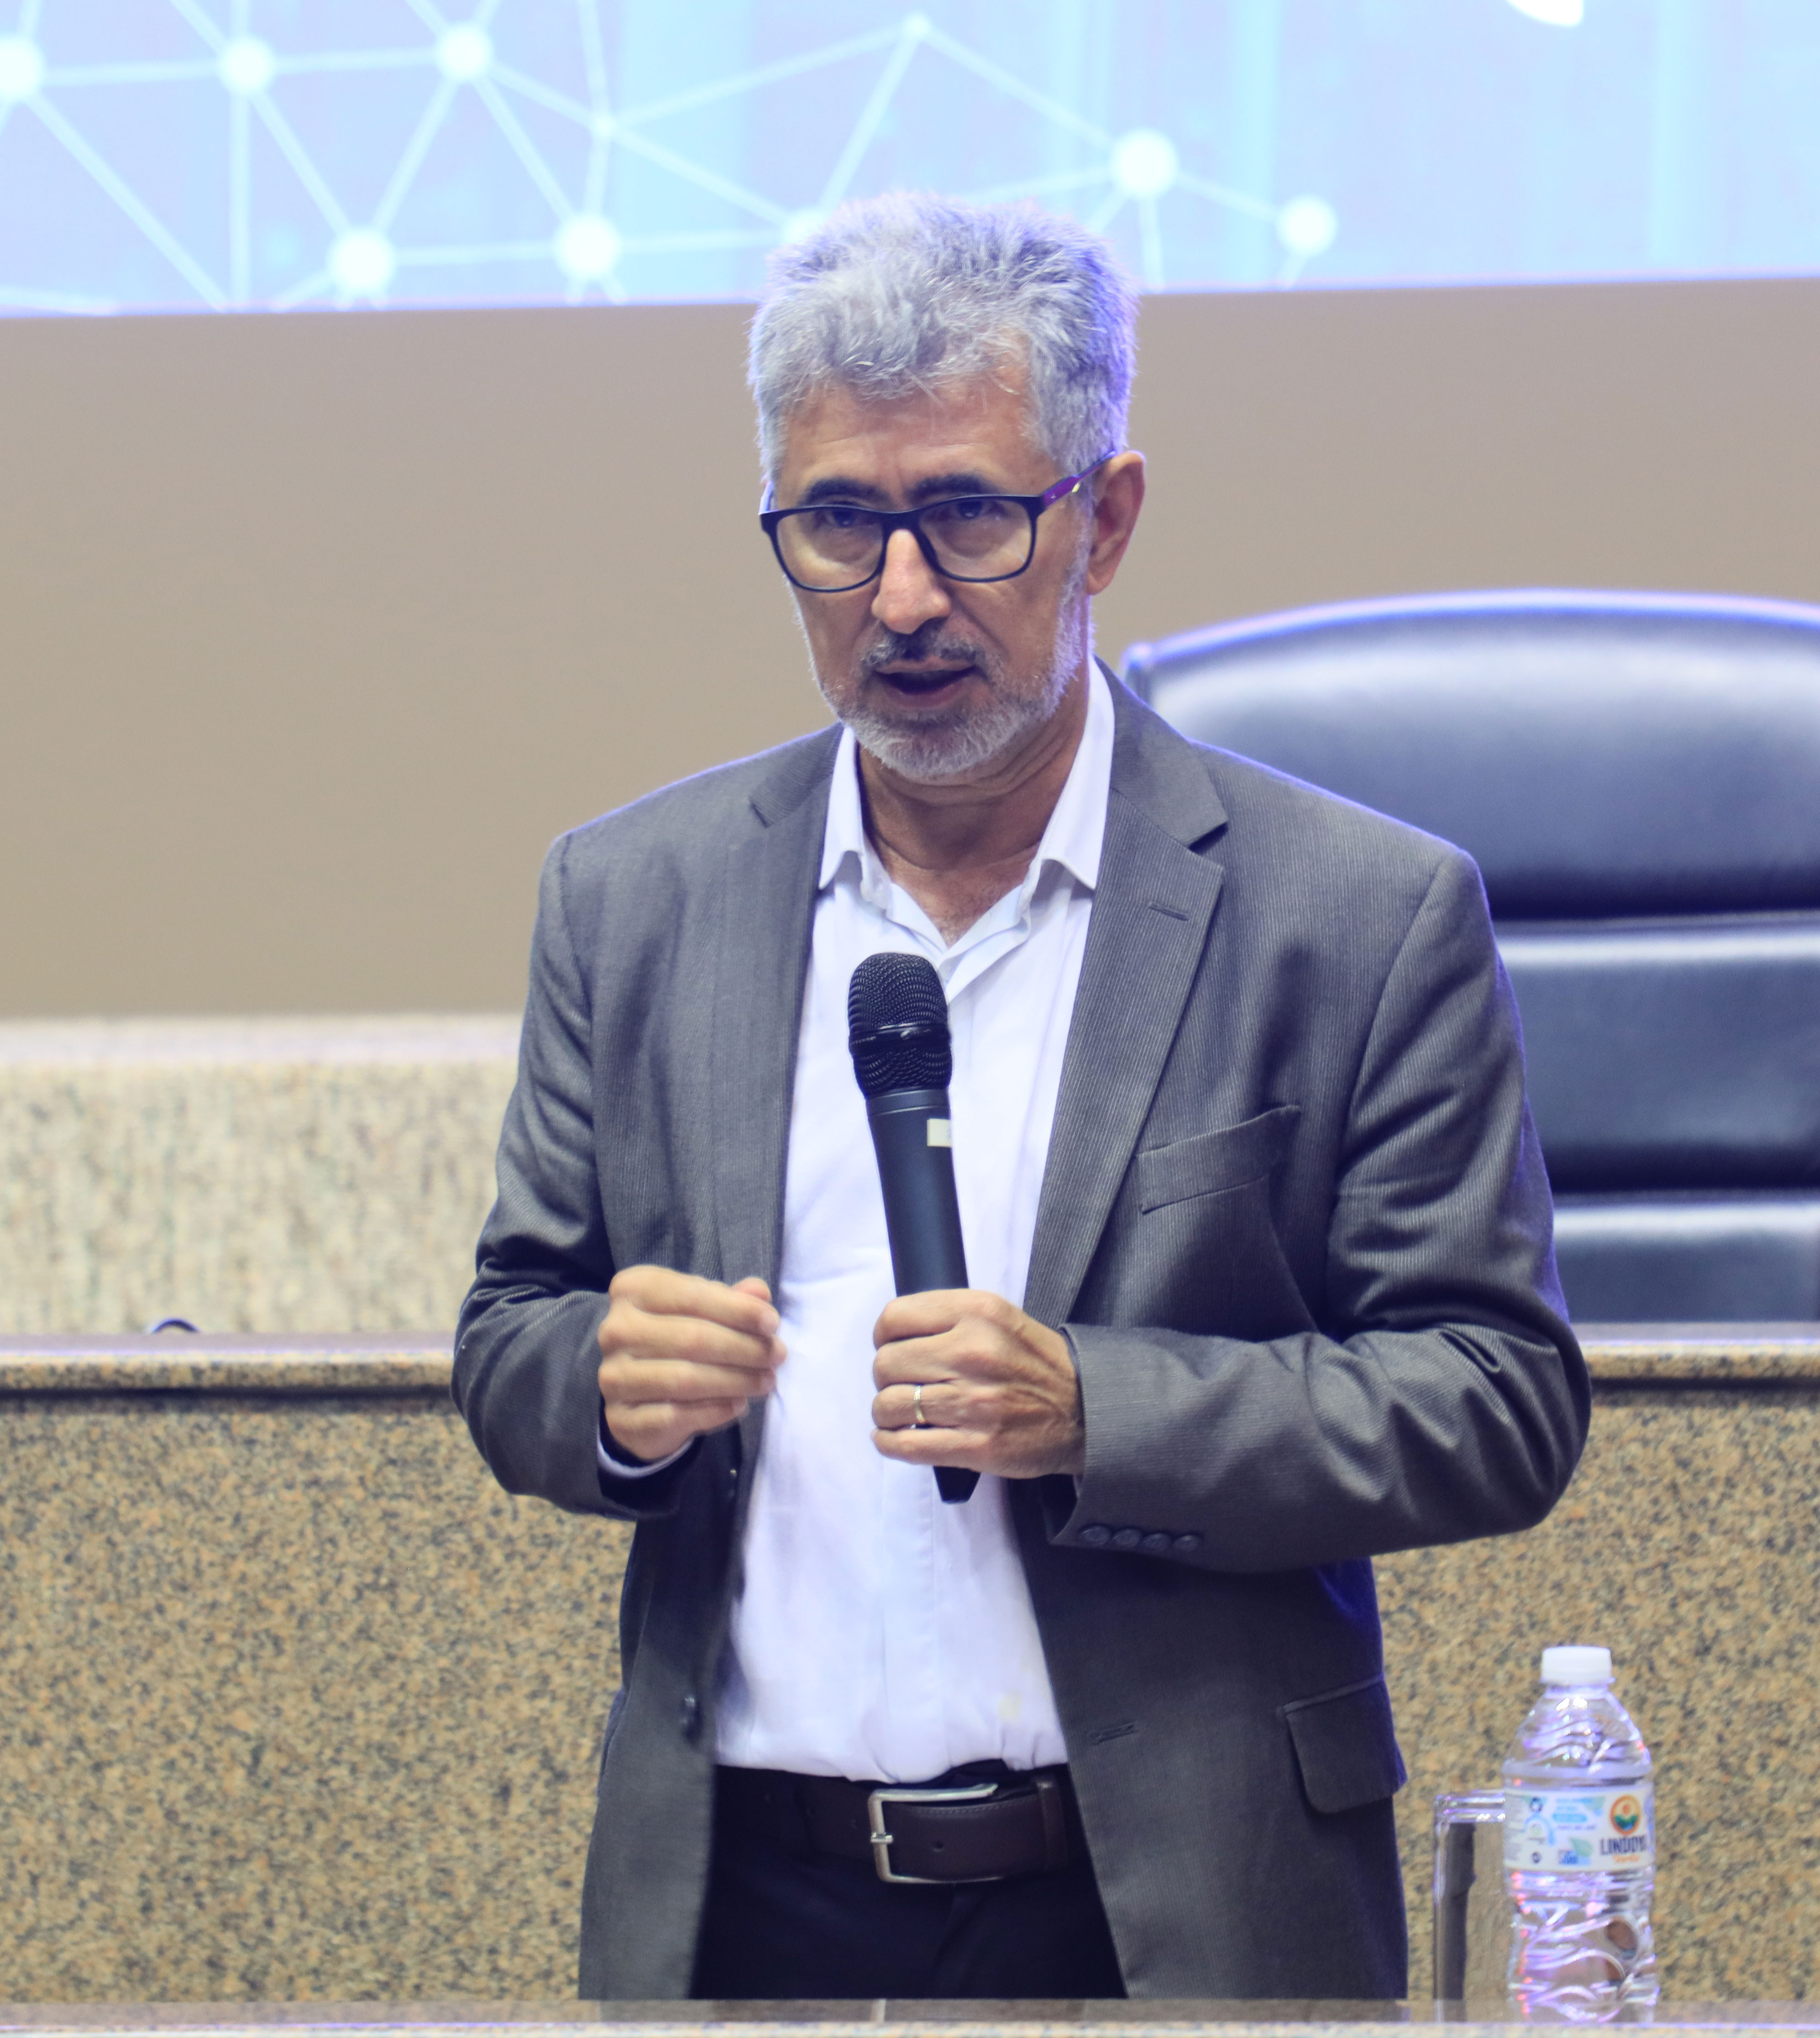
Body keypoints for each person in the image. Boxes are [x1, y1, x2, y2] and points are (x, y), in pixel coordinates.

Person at [454, 192, 1588, 2002]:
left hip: (1175, 1916)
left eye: (969, 516)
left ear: (1104, 518)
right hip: (743, 1908)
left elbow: (1496, 1396)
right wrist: (607, 1388)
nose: (900, 599)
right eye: (838, 525)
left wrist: (1095, 1407)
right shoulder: (634, 898)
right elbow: (513, 1332)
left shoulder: (1354, 915)